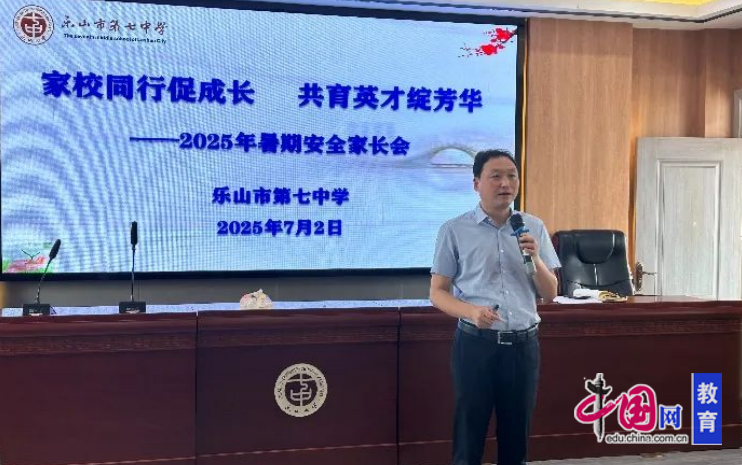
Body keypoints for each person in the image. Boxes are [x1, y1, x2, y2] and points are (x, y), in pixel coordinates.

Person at [429, 149, 561, 465]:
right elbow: (437, 292)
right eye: (496, 176)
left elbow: (550, 293)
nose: (506, 183)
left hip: (523, 346)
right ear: (476, 183)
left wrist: (536, 257)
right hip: (476, 345)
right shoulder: (454, 230)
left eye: (512, 176)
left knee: (516, 437)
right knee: (469, 433)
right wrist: (472, 312)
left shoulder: (532, 226)